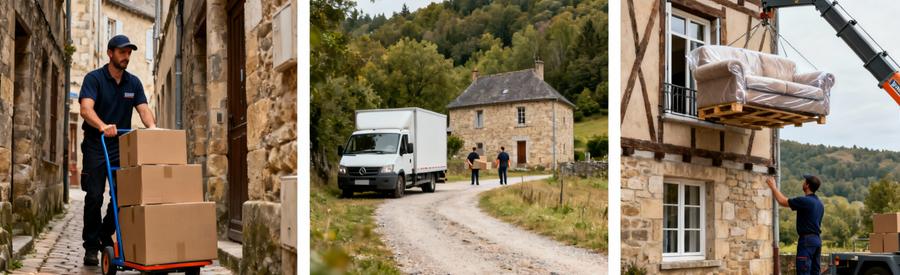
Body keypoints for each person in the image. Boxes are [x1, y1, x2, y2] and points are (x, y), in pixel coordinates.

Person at [79, 35, 157, 266]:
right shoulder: (94, 79)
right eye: (122, 52)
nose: (127, 57)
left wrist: (152, 127)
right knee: (94, 196)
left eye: (129, 52)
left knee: (123, 196)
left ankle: (105, 233)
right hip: (96, 143)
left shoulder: (133, 83)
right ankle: (92, 246)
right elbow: (85, 109)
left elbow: (143, 109)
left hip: (121, 146)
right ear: (110, 53)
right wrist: (103, 125)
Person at [766, 175, 824, 275]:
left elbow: (782, 201)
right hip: (817, 241)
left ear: (807, 185)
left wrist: (773, 187)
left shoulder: (805, 201)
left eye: (804, 181)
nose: (803, 183)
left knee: (803, 271)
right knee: (815, 272)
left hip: (807, 241)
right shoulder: (820, 204)